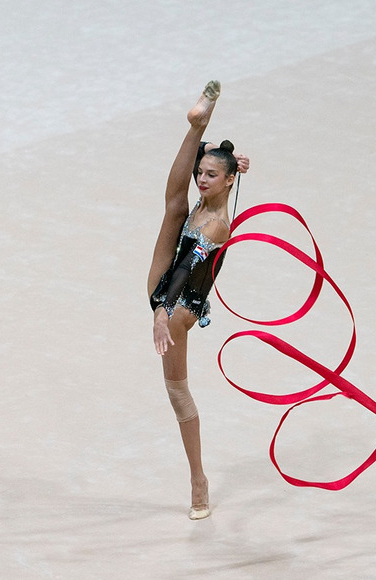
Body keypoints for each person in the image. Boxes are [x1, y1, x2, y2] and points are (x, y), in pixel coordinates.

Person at [147, 81, 249, 520]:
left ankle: (198, 480)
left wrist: (162, 313)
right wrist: (207, 142)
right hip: (164, 289)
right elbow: (206, 167)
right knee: (173, 205)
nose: (202, 180)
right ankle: (197, 123)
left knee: (178, 394)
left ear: (230, 180)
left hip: (181, 307)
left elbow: (187, 270)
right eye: (200, 173)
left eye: (212, 175)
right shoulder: (208, 193)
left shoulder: (217, 225)